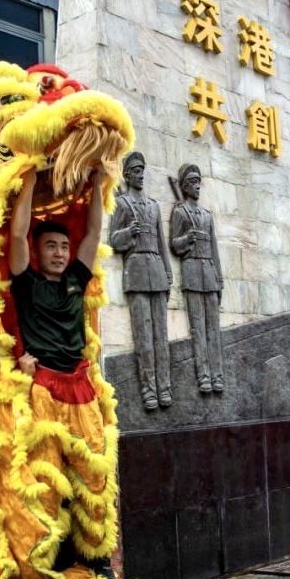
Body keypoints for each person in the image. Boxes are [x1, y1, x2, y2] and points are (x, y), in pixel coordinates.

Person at [0, 169, 159, 579]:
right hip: (42, 397)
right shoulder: (27, 278)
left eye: (64, 246)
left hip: (83, 395)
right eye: (53, 246)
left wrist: (94, 181)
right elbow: (15, 235)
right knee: (43, 525)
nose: (62, 252)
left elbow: (94, 230)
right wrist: (29, 179)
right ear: (37, 253)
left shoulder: (76, 277)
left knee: (96, 521)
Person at [108, 152, 174, 410]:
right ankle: (149, 391)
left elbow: (161, 244)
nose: (141, 174)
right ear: (127, 175)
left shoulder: (153, 206)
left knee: (161, 337)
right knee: (144, 338)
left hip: (156, 271)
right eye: (136, 170)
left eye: (142, 170)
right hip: (135, 272)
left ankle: (165, 387)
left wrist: (168, 274)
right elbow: (114, 240)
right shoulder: (123, 205)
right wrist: (128, 232)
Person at [170, 163, 226, 394]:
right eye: (192, 182)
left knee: (213, 329)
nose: (197, 186)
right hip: (192, 274)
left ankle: (218, 374)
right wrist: (187, 239)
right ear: (183, 186)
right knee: (199, 330)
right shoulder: (179, 212)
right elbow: (174, 244)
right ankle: (203, 375)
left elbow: (214, 250)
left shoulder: (206, 216)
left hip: (209, 275)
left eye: (198, 181)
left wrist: (219, 280)